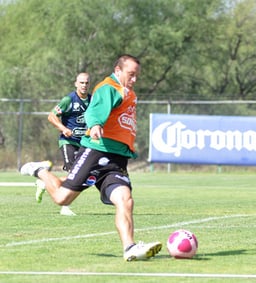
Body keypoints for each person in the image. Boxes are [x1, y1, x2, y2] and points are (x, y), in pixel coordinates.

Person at [20, 54, 162, 261]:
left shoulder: (128, 92)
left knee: (126, 201)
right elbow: (95, 110)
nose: (134, 80)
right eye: (131, 74)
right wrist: (95, 124)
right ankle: (39, 170)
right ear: (118, 70)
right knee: (62, 198)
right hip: (96, 152)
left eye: (137, 75)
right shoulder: (109, 88)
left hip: (117, 160)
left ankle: (129, 248)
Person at [35, 72, 92, 216]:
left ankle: (45, 182)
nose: (84, 85)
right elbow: (51, 116)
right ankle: (65, 206)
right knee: (73, 172)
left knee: (86, 176)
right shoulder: (69, 100)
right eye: (81, 83)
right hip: (68, 142)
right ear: (76, 83)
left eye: (86, 83)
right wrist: (63, 129)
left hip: (84, 143)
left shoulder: (92, 100)